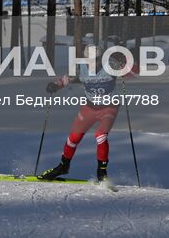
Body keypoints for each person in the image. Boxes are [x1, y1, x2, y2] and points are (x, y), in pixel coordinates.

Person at [38, 47, 118, 183]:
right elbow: (66, 79)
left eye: (95, 60)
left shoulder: (110, 65)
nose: (92, 63)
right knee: (74, 137)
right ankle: (63, 166)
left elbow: (133, 69)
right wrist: (55, 85)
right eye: (88, 60)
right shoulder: (80, 67)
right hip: (89, 107)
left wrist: (124, 68)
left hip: (108, 107)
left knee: (101, 135)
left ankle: (102, 173)